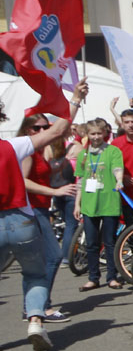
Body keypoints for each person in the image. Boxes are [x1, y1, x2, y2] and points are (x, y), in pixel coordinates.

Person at [1, 86, 86, 351]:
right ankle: (36, 320)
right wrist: (75, 99)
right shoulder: (12, 146)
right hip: (22, 220)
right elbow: (57, 131)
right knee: (35, 274)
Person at [18, 115, 76, 321]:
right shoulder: (27, 152)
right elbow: (22, 181)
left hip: (39, 209)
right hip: (31, 210)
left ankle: (32, 307)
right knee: (53, 256)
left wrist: (75, 103)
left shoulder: (39, 150)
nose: (42, 131)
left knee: (38, 261)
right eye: (36, 127)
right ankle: (41, 306)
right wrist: (56, 192)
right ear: (26, 130)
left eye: (45, 127)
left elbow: (61, 130)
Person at [75, 118, 125, 292]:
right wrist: (77, 204)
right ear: (87, 134)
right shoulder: (83, 154)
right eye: (92, 133)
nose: (96, 137)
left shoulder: (113, 151)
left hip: (109, 202)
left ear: (104, 133)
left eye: (98, 133)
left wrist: (119, 181)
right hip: (89, 204)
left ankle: (112, 277)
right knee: (91, 243)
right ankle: (93, 277)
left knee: (110, 242)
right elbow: (80, 181)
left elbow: (117, 168)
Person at [45, 134, 77, 263]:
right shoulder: (73, 147)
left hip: (56, 191)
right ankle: (66, 255)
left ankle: (64, 252)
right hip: (70, 190)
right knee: (71, 224)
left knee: (66, 222)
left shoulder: (48, 149)